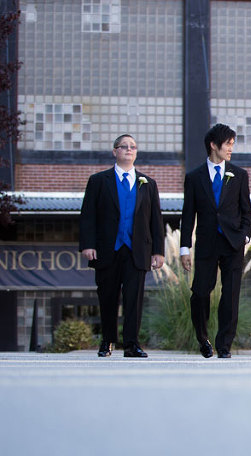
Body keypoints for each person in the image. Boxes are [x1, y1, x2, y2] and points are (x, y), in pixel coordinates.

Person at [79, 134, 164, 358]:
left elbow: (156, 220)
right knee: (107, 297)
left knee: (134, 299)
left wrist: (158, 251)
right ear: (114, 151)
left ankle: (131, 345)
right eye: (123, 146)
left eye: (132, 146)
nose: (128, 149)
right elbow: (88, 215)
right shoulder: (98, 181)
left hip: (137, 251)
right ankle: (107, 341)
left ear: (136, 152)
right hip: (107, 249)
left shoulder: (148, 184)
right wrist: (88, 244)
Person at [180, 124, 251, 358]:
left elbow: (246, 211)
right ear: (213, 145)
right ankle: (203, 339)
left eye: (232, 144)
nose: (231, 149)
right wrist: (184, 248)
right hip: (207, 243)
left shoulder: (239, 175)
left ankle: (224, 345)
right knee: (200, 292)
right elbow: (188, 215)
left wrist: (244, 235)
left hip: (233, 243)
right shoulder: (194, 177)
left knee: (230, 295)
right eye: (228, 144)